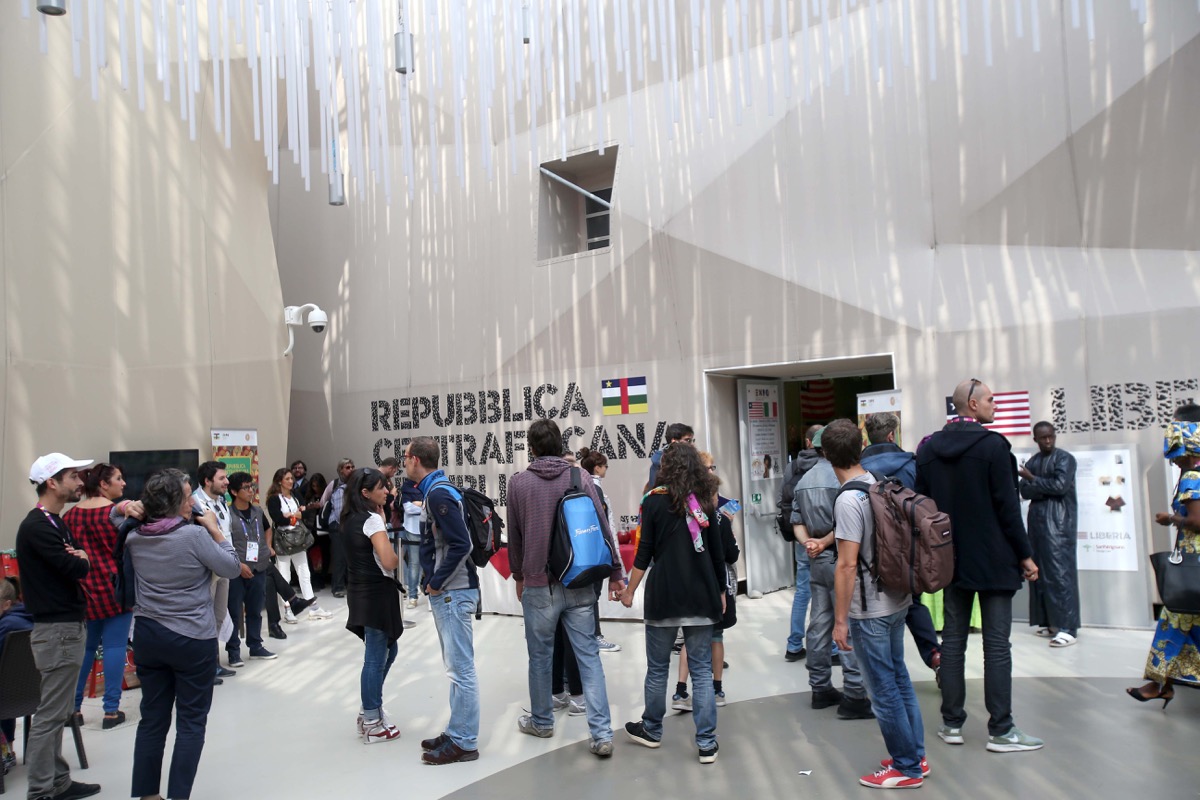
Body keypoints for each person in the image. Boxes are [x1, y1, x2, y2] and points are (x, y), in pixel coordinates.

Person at [915, 379, 1043, 753]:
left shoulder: (927, 450)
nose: (996, 406)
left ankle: (952, 724)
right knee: (997, 646)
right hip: (994, 559)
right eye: (990, 400)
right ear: (971, 404)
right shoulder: (993, 447)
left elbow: (923, 509)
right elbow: (1008, 508)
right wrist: (1026, 554)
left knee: (952, 643)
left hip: (950, 560)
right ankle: (1001, 730)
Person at [507, 419, 624, 758]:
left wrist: (518, 575)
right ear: (560, 445)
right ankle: (601, 734)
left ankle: (542, 721)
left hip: (538, 584)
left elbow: (515, 537)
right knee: (588, 655)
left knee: (540, 656)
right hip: (578, 581)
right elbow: (602, 527)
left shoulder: (519, 484)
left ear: (531, 447)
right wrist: (616, 571)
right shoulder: (580, 477)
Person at [125, 469, 241, 800]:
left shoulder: (134, 537)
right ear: (176, 502)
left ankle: (148, 795)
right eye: (188, 496)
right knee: (191, 723)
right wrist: (216, 530)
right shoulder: (193, 536)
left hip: (148, 635)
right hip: (191, 638)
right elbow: (231, 567)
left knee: (152, 719)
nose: (193, 502)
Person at [825, 419, 927, 790]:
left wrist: (840, 620)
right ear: (861, 445)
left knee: (882, 691)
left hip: (870, 610)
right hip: (897, 599)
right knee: (899, 680)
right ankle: (915, 755)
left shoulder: (849, 499)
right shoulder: (877, 484)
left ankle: (906, 767)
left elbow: (847, 564)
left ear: (826, 455)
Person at [620, 443, 725, 764]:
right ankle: (706, 743)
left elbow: (644, 552)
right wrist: (721, 591)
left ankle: (652, 729)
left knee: (657, 669)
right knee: (702, 672)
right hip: (702, 594)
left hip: (663, 596)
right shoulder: (706, 501)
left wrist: (629, 590)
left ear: (665, 467)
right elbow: (716, 551)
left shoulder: (653, 502)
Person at [16, 451, 101, 800]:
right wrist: (79, 558)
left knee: (59, 711)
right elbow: (77, 566)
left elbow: (81, 556)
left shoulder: (54, 521)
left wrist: (80, 556)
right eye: (73, 476)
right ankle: (40, 791)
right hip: (57, 630)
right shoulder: (37, 526)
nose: (81, 482)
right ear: (52, 482)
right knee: (51, 715)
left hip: (66, 627)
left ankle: (58, 781)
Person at [406, 438, 482, 765]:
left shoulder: (437, 493)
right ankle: (456, 730)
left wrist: (436, 583)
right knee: (455, 669)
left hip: (453, 592)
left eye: (407, 457)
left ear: (417, 460)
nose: (404, 462)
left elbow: (461, 544)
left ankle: (464, 741)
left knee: (461, 670)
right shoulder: (437, 489)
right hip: (450, 592)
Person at [791, 428, 874, 720]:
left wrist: (809, 544)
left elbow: (796, 521)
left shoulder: (803, 481)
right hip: (841, 559)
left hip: (817, 562)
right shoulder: (844, 481)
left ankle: (820, 687)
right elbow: (848, 525)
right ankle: (854, 691)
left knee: (818, 623)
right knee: (847, 623)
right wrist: (825, 541)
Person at [1126, 412, 1200, 705]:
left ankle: (1160, 685)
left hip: (1193, 564)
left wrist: (1170, 518)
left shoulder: (1193, 476)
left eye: (1177, 454)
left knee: (1173, 619)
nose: (1173, 460)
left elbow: (1196, 520)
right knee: (1183, 622)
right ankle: (1161, 684)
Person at [861, 413, 941, 678]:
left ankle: (881, 674)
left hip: (868, 550)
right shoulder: (913, 464)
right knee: (913, 602)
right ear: (892, 435)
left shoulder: (858, 469)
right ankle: (934, 655)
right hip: (910, 547)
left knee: (872, 609)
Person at [63, 463, 141, 729]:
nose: (124, 483)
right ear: (104, 484)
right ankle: (110, 710)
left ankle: (72, 708)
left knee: (85, 649)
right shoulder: (113, 513)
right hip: (115, 587)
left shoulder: (70, 515)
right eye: (119, 478)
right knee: (115, 646)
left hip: (83, 588)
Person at [673, 452, 739, 710]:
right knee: (716, 636)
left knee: (691, 636)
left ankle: (680, 691)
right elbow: (730, 554)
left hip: (689, 582)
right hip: (715, 584)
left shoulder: (681, 512)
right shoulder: (719, 518)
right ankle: (717, 689)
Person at [342, 468, 404, 744]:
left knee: (386, 650)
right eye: (381, 487)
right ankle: (371, 719)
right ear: (366, 493)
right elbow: (389, 561)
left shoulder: (350, 518)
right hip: (376, 593)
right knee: (376, 656)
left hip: (361, 591)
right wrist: (384, 528)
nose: (387, 491)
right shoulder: (372, 521)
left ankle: (371, 709)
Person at [1018, 421, 1080, 648]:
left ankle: (1068, 627)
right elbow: (1024, 490)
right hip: (1037, 524)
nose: (1047, 441)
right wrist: (1040, 486)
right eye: (1042, 438)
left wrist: (1035, 481)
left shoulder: (1065, 459)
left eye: (1050, 437)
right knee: (1039, 574)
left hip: (1059, 526)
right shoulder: (1033, 461)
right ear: (1035, 439)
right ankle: (1049, 621)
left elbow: (1060, 486)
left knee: (1060, 574)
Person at [266, 468, 332, 623]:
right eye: (287, 478)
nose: (291, 481)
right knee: (284, 575)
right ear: (280, 481)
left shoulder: (295, 495)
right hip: (283, 539)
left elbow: (306, 512)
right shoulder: (274, 499)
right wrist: (293, 517)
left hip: (298, 537)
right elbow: (277, 518)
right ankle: (288, 609)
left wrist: (293, 516)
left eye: (291, 479)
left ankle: (313, 606)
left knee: (304, 572)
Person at [224, 472, 277, 666]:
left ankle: (255, 646)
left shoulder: (258, 511)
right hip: (236, 569)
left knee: (255, 610)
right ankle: (233, 651)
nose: (250, 491)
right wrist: (237, 565)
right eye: (246, 488)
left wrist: (267, 547)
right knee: (234, 612)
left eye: (251, 486)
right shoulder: (228, 514)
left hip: (259, 567)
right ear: (234, 492)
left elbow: (267, 528)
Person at [191, 461, 235, 681]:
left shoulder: (222, 501)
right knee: (205, 617)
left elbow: (226, 532)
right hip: (207, 569)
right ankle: (204, 666)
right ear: (207, 481)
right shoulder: (195, 503)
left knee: (218, 616)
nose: (227, 482)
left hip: (224, 566)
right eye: (221, 478)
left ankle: (214, 663)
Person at [782, 424, 822, 662]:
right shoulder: (828, 467)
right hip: (825, 537)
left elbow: (782, 499)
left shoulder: (792, 466)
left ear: (808, 442)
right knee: (827, 592)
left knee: (802, 591)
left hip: (801, 535)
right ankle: (831, 648)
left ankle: (794, 644)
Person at [580, 447, 621, 653]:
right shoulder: (594, 489)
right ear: (597, 468)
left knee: (591, 595)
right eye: (605, 466)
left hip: (590, 551)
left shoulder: (587, 486)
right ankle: (594, 635)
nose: (606, 469)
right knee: (592, 596)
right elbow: (604, 525)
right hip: (596, 551)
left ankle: (592, 635)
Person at [0, 578, 34, 774]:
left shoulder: (6, 627)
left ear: (6, 604)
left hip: (8, 698)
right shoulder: (29, 620)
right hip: (33, 694)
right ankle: (8, 751)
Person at [320, 458, 357, 597]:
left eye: (352, 467)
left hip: (352, 525)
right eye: (348, 467)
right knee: (339, 557)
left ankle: (351, 585)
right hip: (336, 525)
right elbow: (323, 501)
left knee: (352, 556)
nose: (351, 469)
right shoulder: (334, 484)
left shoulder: (356, 484)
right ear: (341, 469)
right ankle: (338, 587)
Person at [644, 422, 695, 492]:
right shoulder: (660, 462)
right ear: (674, 441)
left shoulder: (691, 460)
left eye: (692, 440)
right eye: (688, 440)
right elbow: (656, 492)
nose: (692, 444)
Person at [399, 477, 424, 609]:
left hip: (427, 528)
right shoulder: (407, 487)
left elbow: (433, 505)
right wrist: (424, 505)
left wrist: (419, 503)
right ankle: (412, 595)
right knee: (414, 563)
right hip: (412, 528)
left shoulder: (428, 484)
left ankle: (422, 589)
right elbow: (408, 509)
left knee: (427, 562)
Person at [302, 472, 329, 589]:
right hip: (311, 528)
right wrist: (310, 507)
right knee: (308, 554)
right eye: (313, 486)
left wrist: (321, 505)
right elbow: (302, 510)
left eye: (318, 486)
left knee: (325, 554)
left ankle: (322, 578)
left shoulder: (327, 496)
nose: (316, 488)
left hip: (324, 530)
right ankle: (312, 578)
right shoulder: (308, 496)